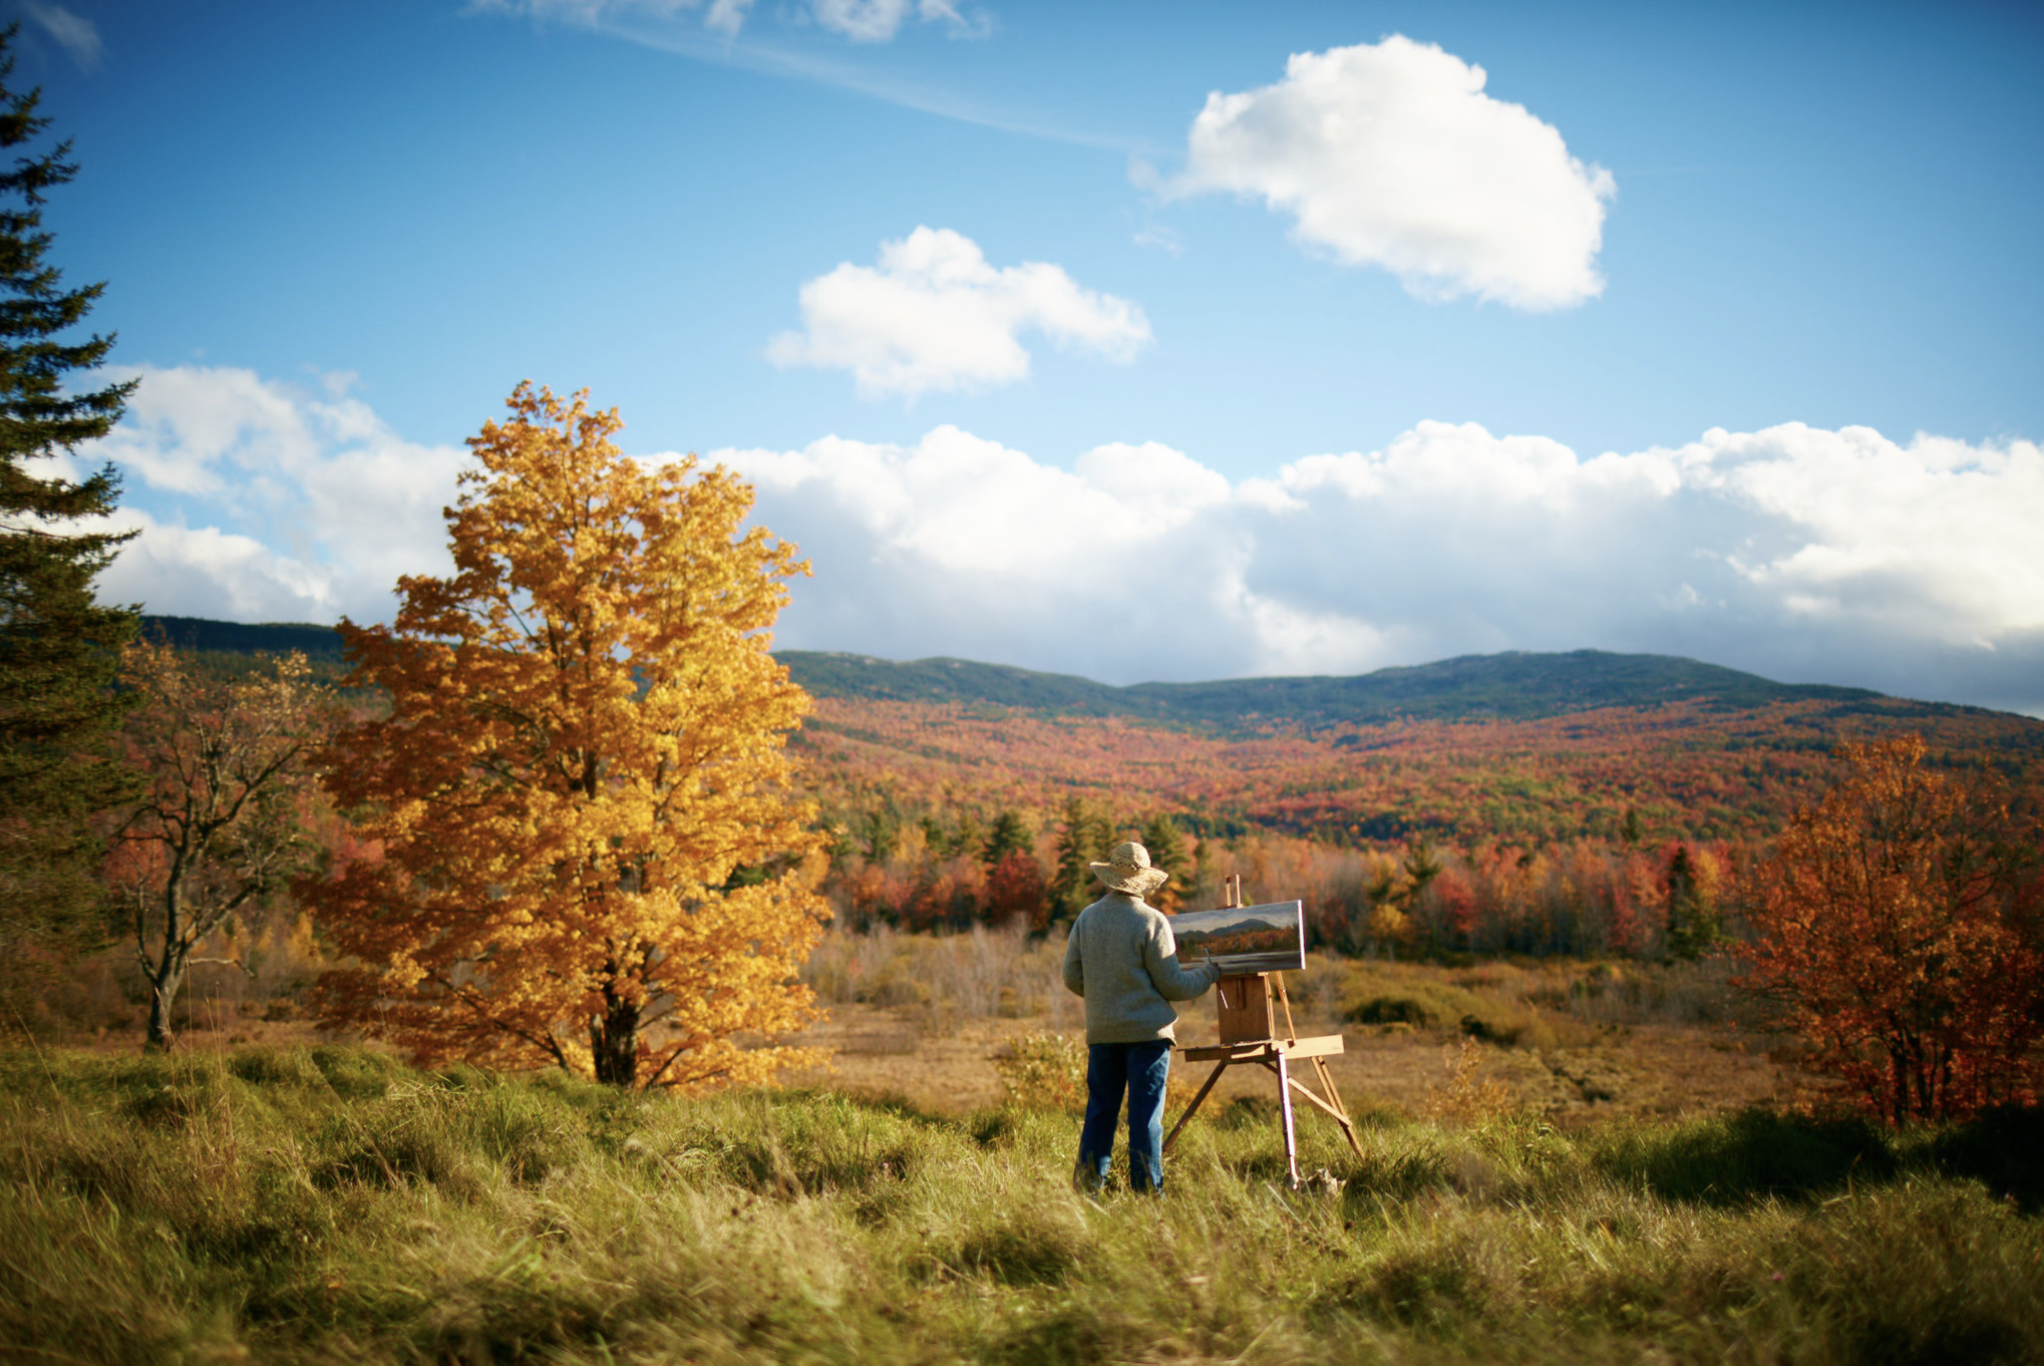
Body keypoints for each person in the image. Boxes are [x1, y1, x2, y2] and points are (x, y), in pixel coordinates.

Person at [1060, 840, 1220, 1194]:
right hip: (1148, 1036)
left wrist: (1106, 999)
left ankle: (1087, 1195)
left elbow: (1071, 977)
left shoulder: (1087, 918)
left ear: (1110, 875)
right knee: (1145, 1120)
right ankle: (1148, 1198)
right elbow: (1174, 984)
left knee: (1100, 1116)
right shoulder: (1151, 921)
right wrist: (1210, 973)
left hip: (1102, 1034)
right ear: (1143, 880)